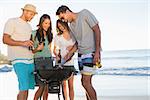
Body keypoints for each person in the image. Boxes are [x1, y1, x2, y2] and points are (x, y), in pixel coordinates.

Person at [56, 5, 102, 100]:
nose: (63, 20)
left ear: (67, 11)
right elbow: (77, 43)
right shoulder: (71, 25)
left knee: (85, 82)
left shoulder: (84, 13)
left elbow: (97, 30)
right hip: (81, 55)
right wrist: (69, 54)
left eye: (62, 17)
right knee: (85, 83)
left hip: (90, 52)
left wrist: (97, 51)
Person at [3, 4, 37, 100]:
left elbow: (28, 44)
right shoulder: (12, 22)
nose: (32, 17)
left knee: (26, 89)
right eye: (31, 14)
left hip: (30, 60)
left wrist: (35, 48)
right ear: (25, 11)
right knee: (23, 87)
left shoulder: (29, 26)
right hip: (19, 60)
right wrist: (23, 43)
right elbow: (5, 39)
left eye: (33, 15)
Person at [32, 14, 53, 100]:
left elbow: (50, 48)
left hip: (48, 61)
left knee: (47, 86)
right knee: (41, 85)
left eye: (49, 23)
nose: (47, 25)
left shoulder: (50, 34)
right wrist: (37, 49)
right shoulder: (33, 33)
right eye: (45, 23)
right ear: (41, 23)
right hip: (38, 61)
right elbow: (30, 51)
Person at [53, 19, 76, 100]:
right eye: (59, 26)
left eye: (62, 25)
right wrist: (57, 55)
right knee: (64, 85)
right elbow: (55, 49)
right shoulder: (58, 36)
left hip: (70, 63)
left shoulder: (73, 35)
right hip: (61, 63)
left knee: (71, 85)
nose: (61, 27)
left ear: (65, 23)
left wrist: (73, 48)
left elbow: (77, 46)